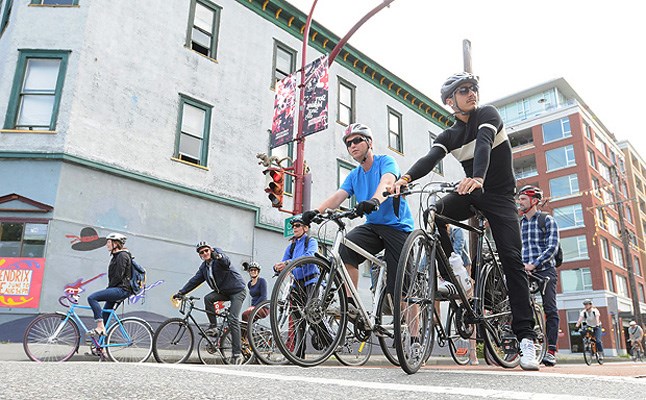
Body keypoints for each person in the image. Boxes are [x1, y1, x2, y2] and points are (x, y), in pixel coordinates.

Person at [391, 72, 539, 371]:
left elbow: (484, 144)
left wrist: (478, 178)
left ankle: (526, 338)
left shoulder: (487, 114)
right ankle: (455, 269)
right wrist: (403, 179)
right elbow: (429, 159)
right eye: (463, 90)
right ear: (450, 101)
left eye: (473, 89)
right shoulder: (449, 135)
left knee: (511, 259)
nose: (472, 93)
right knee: (434, 210)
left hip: (498, 195)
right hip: (471, 191)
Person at [301, 123, 414, 304]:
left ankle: (414, 333)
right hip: (374, 227)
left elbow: (387, 181)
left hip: (398, 228)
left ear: (369, 143)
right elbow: (339, 196)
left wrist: (375, 200)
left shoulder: (385, 161)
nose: (352, 145)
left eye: (357, 140)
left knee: (402, 289)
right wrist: (315, 211)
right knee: (345, 249)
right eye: (348, 143)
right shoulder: (354, 175)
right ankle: (351, 304)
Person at [174, 241, 247, 364]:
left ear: (210, 250)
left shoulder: (218, 257)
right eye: (201, 252)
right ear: (200, 255)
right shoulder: (204, 268)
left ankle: (237, 354)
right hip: (224, 292)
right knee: (208, 298)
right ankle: (214, 327)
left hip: (237, 291)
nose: (204, 253)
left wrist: (217, 255)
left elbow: (226, 262)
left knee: (232, 319)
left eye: (206, 251)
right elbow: (195, 281)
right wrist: (182, 292)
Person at [517, 185, 560, 366]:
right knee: (518, 305)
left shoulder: (547, 220)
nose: (519, 202)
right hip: (524, 270)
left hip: (544, 269)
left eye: (523, 199)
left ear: (534, 201)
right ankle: (521, 344)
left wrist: (534, 264)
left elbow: (552, 247)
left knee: (550, 308)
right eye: (519, 199)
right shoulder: (520, 223)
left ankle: (550, 350)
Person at [273, 215, 319, 356]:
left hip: (312, 281)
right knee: (298, 318)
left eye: (298, 225)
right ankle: (299, 354)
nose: (294, 228)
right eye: (293, 226)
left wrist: (288, 263)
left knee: (310, 311)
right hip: (297, 284)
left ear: (305, 228)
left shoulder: (311, 241)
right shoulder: (291, 246)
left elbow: (310, 255)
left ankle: (326, 336)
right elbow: (284, 262)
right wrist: (278, 267)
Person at [87, 232, 133, 338]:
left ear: (116, 243)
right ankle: (100, 347)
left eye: (109, 242)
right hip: (116, 288)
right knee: (105, 315)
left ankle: (99, 326)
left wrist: (108, 289)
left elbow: (118, 276)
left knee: (92, 298)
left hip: (121, 290)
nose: (107, 244)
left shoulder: (122, 255)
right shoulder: (116, 256)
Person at [448, 224, 478, 365]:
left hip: (463, 271)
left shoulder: (456, 231)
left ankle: (473, 352)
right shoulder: (435, 233)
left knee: (469, 311)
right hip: (446, 274)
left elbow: (457, 254)